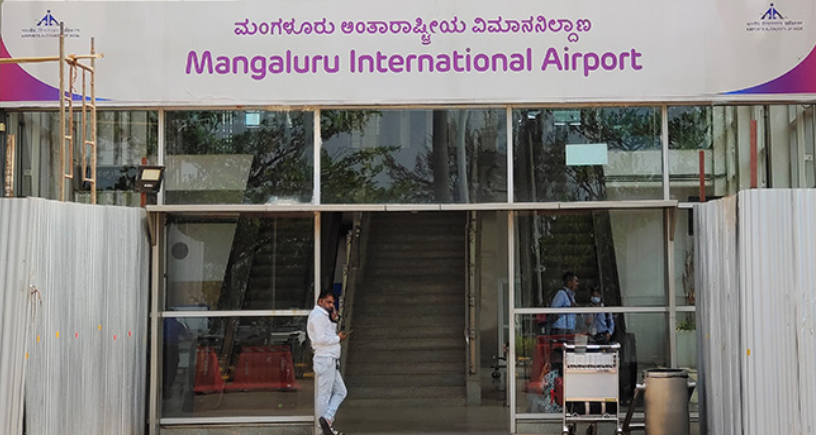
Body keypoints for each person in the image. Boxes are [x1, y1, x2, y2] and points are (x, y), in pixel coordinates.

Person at [308, 290, 349, 435]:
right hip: (325, 358)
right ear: (320, 301)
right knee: (324, 395)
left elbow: (328, 334)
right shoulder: (318, 316)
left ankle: (327, 420)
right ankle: (321, 430)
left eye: (333, 303)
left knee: (341, 391)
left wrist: (333, 320)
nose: (331, 305)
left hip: (330, 358)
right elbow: (321, 339)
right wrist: (338, 339)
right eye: (328, 302)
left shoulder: (324, 316)